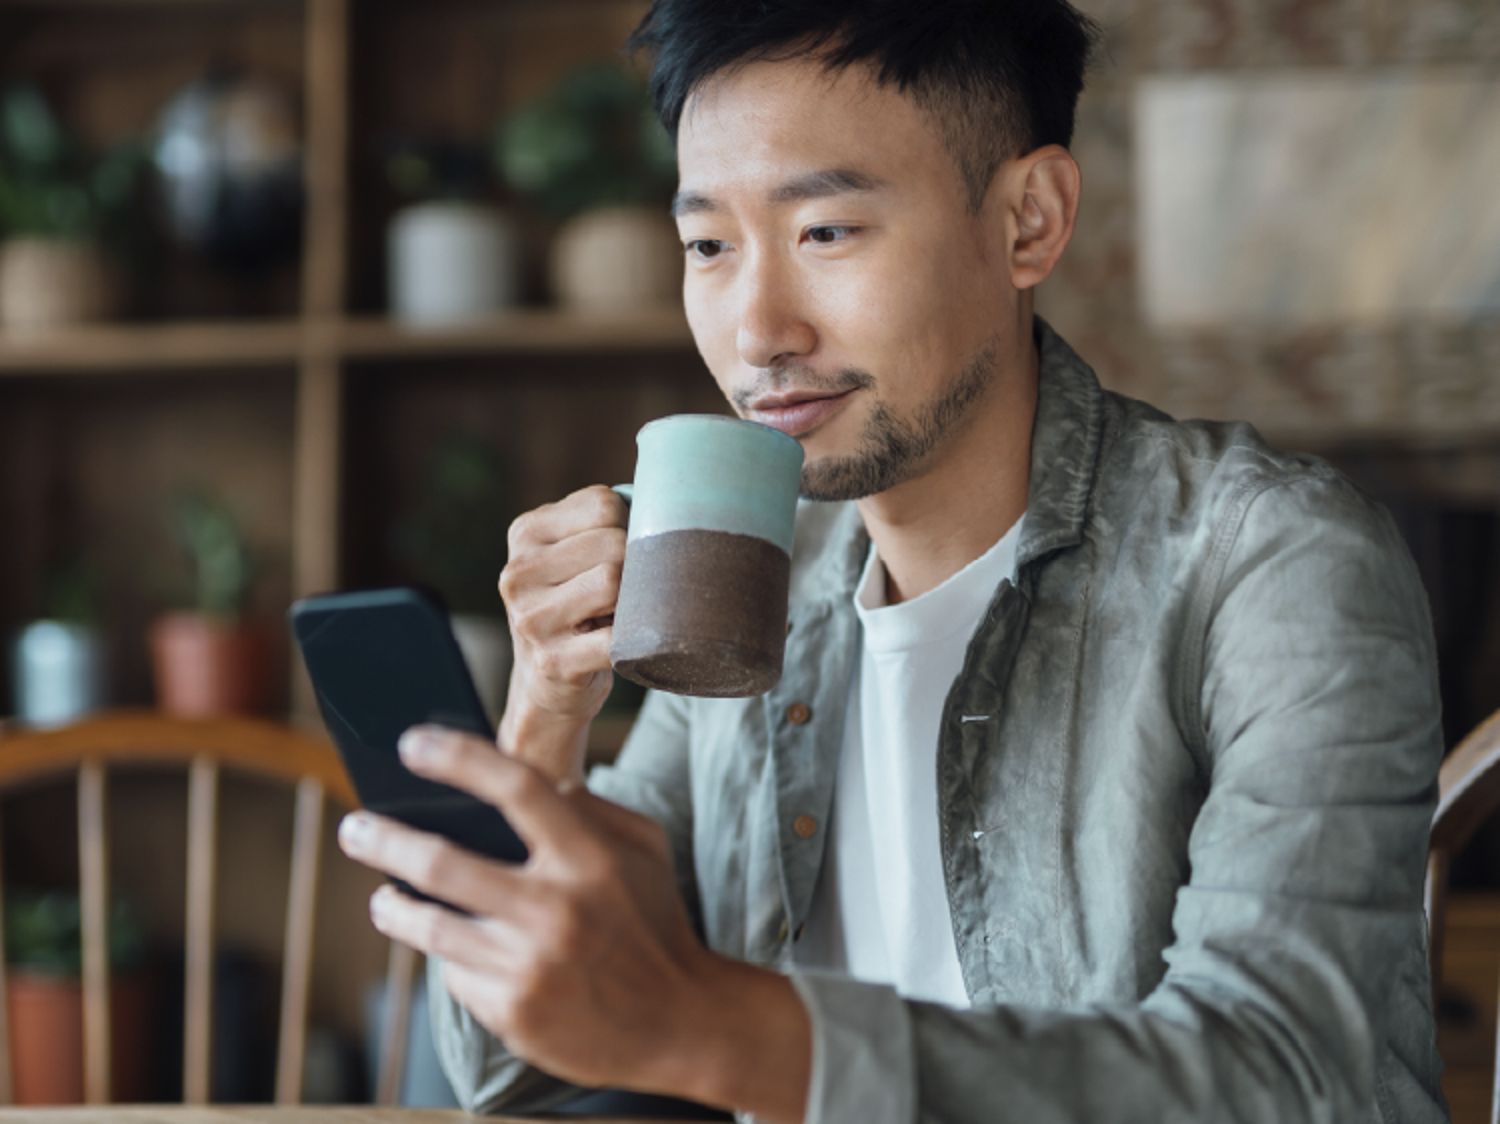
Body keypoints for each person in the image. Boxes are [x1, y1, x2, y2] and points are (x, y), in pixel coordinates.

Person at [335, 2, 1449, 1121]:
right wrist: (549, 718)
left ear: (1030, 220)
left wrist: (711, 1026)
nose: (758, 328)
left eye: (826, 231)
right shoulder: (749, 582)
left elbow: (1287, 1075)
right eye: (709, 245)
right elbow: (511, 1071)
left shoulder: (1272, 563)